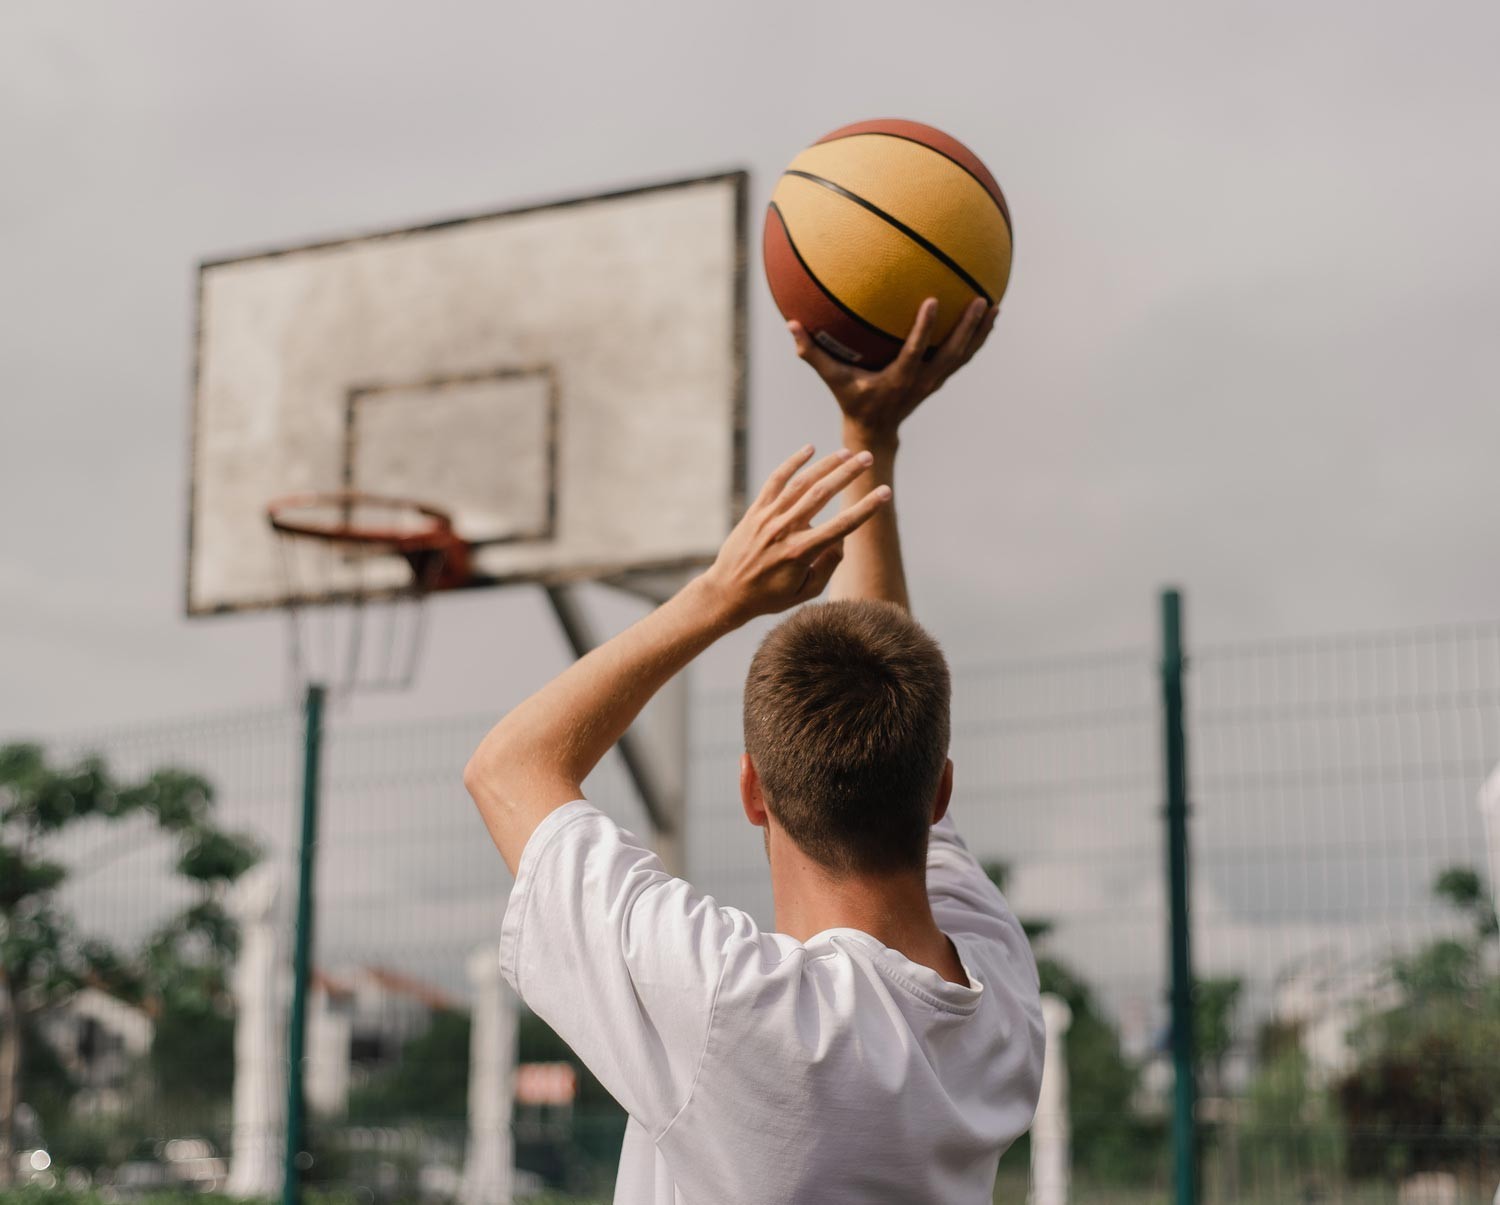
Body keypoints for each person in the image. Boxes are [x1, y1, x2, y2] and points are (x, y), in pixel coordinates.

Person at [465, 296, 1044, 1204]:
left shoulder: (734, 1007)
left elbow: (506, 766)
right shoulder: (997, 992)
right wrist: (869, 436)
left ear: (752, 790)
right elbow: (885, 672)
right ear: (936, 793)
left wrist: (720, 596)